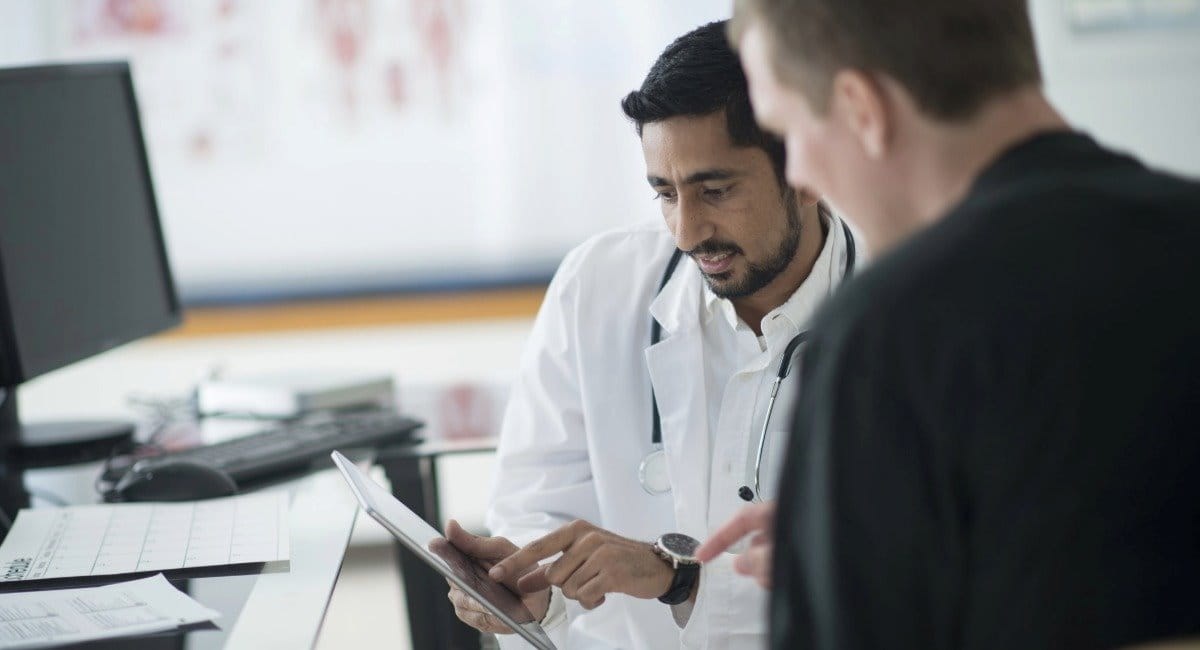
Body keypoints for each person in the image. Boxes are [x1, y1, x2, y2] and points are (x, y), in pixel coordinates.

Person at [698, 1, 1200, 649]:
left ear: (861, 107)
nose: (799, 173)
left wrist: (847, 549)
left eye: (788, 131)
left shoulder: (884, 336)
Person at [443, 20, 857, 649]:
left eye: (714, 191)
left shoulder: (910, 319)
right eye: (664, 193)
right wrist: (536, 586)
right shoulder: (598, 287)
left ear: (804, 169)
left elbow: (908, 567)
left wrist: (679, 579)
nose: (687, 232)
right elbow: (535, 500)